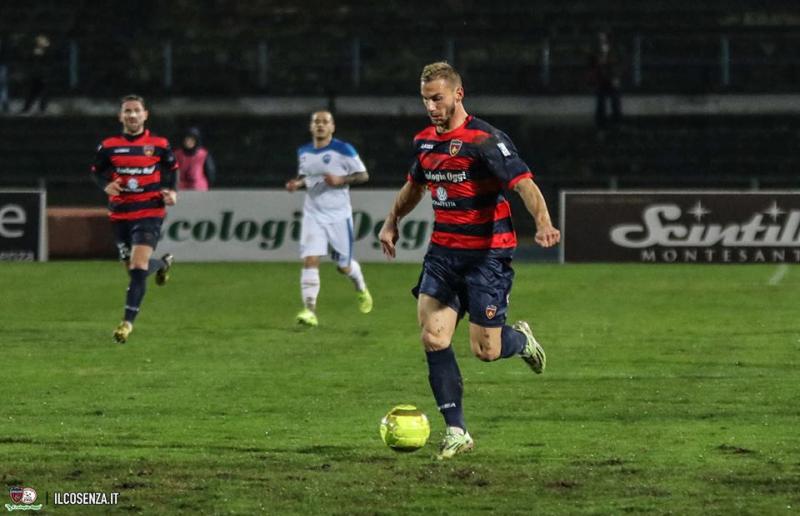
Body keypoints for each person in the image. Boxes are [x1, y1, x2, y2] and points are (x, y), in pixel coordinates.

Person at [378, 62, 561, 460]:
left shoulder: (486, 140)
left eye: (437, 98)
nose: (431, 107)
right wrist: (392, 221)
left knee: (486, 351)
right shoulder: (425, 142)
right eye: (425, 100)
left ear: (458, 94)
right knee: (433, 337)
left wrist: (544, 222)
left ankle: (521, 340)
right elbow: (414, 186)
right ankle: (456, 430)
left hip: (487, 257)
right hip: (443, 255)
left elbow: (524, 184)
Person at [90, 94, 178, 343]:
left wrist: (172, 192)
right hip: (120, 213)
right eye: (127, 111)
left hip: (150, 211)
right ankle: (162, 264)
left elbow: (172, 169)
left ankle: (127, 323)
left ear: (145, 115)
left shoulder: (159, 144)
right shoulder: (109, 146)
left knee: (138, 266)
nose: (132, 115)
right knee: (133, 270)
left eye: (136, 110)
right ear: (120, 116)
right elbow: (96, 172)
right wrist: (105, 185)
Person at [285, 110, 373, 327]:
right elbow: (309, 177)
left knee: (344, 266)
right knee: (310, 258)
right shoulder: (304, 151)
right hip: (313, 213)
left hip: (338, 216)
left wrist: (341, 180)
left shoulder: (343, 149)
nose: (321, 125)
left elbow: (363, 175)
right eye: (317, 122)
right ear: (311, 127)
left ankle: (360, 287)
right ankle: (310, 311)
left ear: (332, 127)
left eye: (325, 122)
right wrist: (297, 183)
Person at [589, 31, 622, 129]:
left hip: (612, 77)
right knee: (601, 101)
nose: (601, 38)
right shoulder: (595, 48)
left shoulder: (615, 48)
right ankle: (601, 122)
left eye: (603, 36)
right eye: (600, 36)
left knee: (615, 100)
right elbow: (591, 63)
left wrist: (617, 76)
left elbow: (620, 63)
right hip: (601, 77)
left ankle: (616, 121)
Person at [174, 126, 216, 191]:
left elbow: (210, 173)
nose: (188, 142)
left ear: (196, 141)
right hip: (181, 188)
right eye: (186, 140)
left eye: (192, 140)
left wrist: (208, 186)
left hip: (199, 188)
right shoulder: (177, 154)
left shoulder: (203, 154)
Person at [20, 34, 50, 115]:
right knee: (32, 92)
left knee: (43, 93)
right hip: (35, 75)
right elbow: (28, 59)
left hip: (42, 75)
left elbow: (47, 62)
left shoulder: (46, 51)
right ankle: (27, 108)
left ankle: (41, 109)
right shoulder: (34, 51)